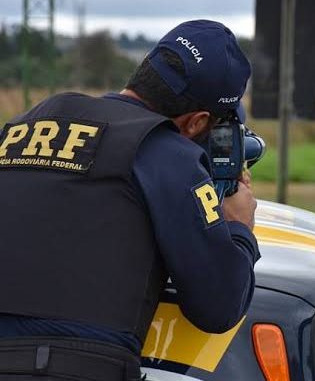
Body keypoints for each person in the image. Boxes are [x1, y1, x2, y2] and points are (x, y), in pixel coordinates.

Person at [0, 19, 260, 380]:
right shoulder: (170, 155)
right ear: (197, 122)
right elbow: (218, 305)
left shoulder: (23, 126)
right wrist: (238, 227)